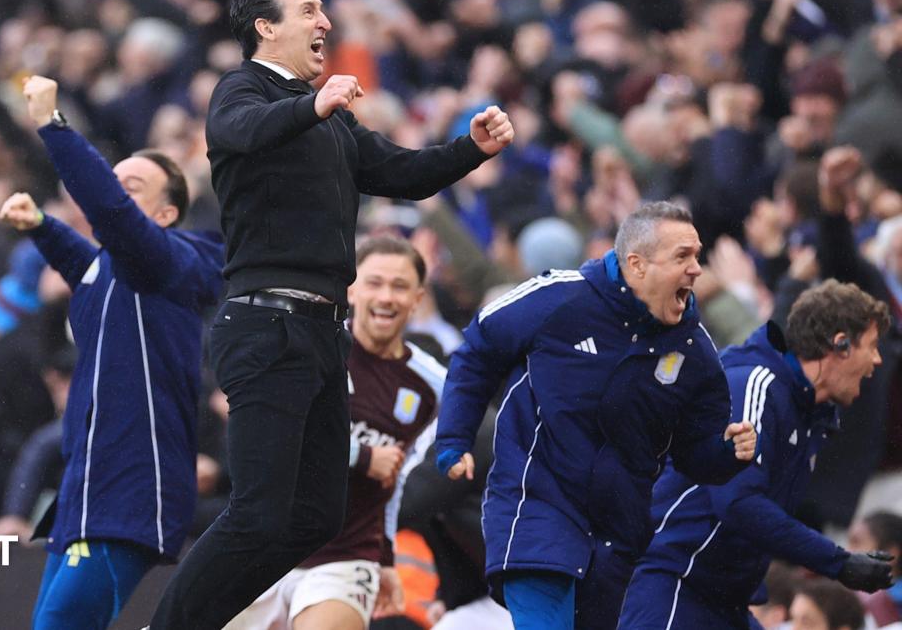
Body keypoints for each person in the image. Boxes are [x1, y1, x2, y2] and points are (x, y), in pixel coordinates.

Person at [151, 0, 515, 628]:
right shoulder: (242, 89)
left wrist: (470, 149)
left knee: (315, 515)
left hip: (322, 332)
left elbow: (402, 172)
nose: (325, 23)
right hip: (266, 323)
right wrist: (314, 104)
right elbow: (242, 133)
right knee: (259, 510)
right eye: (309, 11)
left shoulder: (333, 124)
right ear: (266, 26)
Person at [434, 201, 759, 629]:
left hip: (616, 537)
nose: (697, 269)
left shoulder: (695, 352)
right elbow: (476, 350)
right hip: (536, 510)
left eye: (697, 255)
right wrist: (454, 439)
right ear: (637, 265)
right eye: (682, 256)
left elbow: (695, 455)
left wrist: (729, 451)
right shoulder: (557, 296)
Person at [0, 75, 224, 629]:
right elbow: (89, 266)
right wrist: (44, 228)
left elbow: (110, 217)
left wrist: (54, 127)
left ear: (167, 216)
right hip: (88, 490)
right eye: (114, 182)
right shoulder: (116, 270)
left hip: (131, 492)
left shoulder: (169, 262)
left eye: (132, 188)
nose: (115, 194)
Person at [620, 280, 896, 629]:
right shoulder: (754, 385)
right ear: (840, 344)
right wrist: (839, 562)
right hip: (676, 582)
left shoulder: (812, 416)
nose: (877, 360)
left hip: (727, 599)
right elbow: (737, 502)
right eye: (871, 346)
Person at [225, 235, 444, 630]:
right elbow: (275, 434)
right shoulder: (313, 346)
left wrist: (385, 555)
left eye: (400, 286)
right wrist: (362, 456)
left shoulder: (433, 385)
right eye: (375, 282)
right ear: (353, 289)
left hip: (346, 556)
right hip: (266, 543)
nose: (386, 297)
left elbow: (395, 482)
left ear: (417, 298)